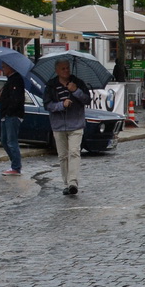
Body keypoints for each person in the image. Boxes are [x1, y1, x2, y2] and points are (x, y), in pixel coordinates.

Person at [45, 58, 92, 196]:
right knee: (63, 156)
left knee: (74, 152)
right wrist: (61, 105)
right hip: (59, 125)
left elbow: (87, 100)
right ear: (57, 71)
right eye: (63, 68)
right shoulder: (51, 85)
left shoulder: (77, 82)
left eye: (67, 68)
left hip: (75, 124)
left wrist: (76, 90)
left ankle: (73, 182)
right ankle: (66, 183)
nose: (66, 71)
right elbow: (47, 105)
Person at [0, 61, 27, 176]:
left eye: (4, 67)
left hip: (12, 115)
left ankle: (16, 167)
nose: (3, 69)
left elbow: (16, 99)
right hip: (6, 115)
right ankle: (14, 164)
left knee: (11, 141)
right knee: (4, 141)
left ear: (11, 67)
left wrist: (9, 112)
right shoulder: (9, 80)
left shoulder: (16, 80)